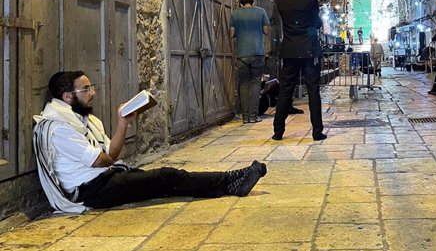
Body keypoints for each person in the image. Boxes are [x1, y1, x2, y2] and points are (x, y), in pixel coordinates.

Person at [33, 71, 267, 213]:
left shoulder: (84, 120)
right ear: (67, 97)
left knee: (165, 182)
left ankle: (230, 182)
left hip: (105, 177)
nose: (93, 92)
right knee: (167, 177)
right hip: (91, 192)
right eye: (86, 89)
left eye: (92, 86)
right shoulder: (59, 129)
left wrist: (123, 123)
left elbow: (110, 155)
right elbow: (105, 159)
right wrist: (120, 131)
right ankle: (230, 182)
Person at [272, 0, 327, 141]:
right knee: (313, 91)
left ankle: (278, 132)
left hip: (289, 50)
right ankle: (317, 132)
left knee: (285, 91)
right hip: (309, 51)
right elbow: (316, 21)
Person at [230, 0, 270, 124]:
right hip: (257, 52)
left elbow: (231, 34)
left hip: (242, 54)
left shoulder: (235, 14)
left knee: (243, 84)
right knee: (255, 84)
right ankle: (253, 116)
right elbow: (266, 31)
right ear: (252, 2)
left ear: (241, 3)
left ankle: (245, 117)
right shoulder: (261, 12)